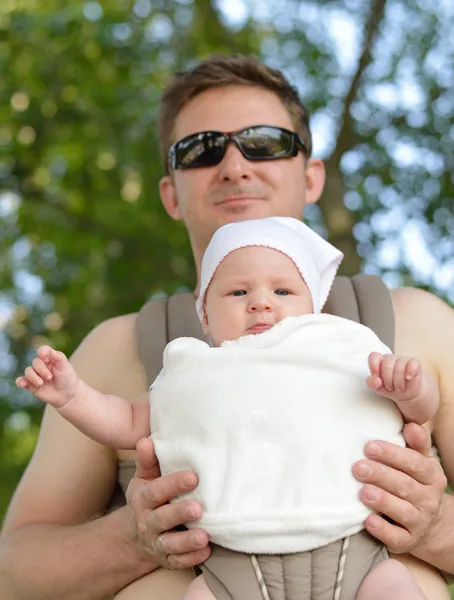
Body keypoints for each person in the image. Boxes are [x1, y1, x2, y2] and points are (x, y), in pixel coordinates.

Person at [0, 54, 452, 600]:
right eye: (201, 149)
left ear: (311, 176)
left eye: (264, 142)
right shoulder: (114, 351)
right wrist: (132, 539)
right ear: (170, 193)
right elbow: (12, 571)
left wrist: (435, 527)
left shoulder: (417, 324)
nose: (235, 165)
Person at [13, 216, 442, 600]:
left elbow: (416, 412)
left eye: (282, 289)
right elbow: (125, 421)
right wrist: (73, 397)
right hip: (230, 567)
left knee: (397, 590)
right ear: (204, 316)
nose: (260, 301)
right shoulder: (192, 374)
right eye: (237, 291)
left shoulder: (345, 348)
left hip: (356, 549)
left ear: (312, 305)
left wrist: (410, 390)